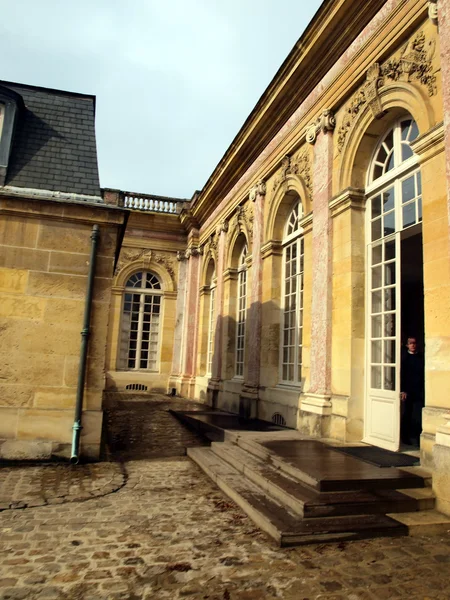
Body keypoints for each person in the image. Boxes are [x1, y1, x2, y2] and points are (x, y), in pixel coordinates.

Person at [400, 336, 424, 446]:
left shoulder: (421, 357)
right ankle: (405, 437)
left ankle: (418, 438)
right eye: (410, 343)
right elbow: (402, 375)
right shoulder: (404, 358)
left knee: (418, 415)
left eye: (414, 343)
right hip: (408, 390)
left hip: (419, 390)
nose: (413, 345)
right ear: (407, 345)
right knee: (407, 414)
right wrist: (403, 390)